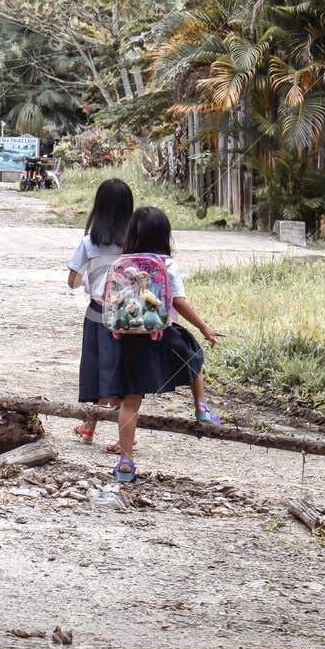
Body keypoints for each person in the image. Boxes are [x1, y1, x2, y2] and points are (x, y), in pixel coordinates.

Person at [101, 207, 223, 483]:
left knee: (130, 402)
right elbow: (178, 301)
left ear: (132, 234)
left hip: (129, 340)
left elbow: (107, 298)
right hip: (162, 335)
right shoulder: (167, 264)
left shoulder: (121, 263)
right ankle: (201, 406)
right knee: (194, 357)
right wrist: (204, 326)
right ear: (165, 235)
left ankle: (125, 461)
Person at [69, 178, 133, 449]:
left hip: (97, 314)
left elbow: (72, 281)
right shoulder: (134, 243)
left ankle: (88, 427)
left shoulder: (88, 243)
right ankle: (125, 436)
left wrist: (90, 280)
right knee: (122, 373)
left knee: (96, 371)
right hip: (129, 317)